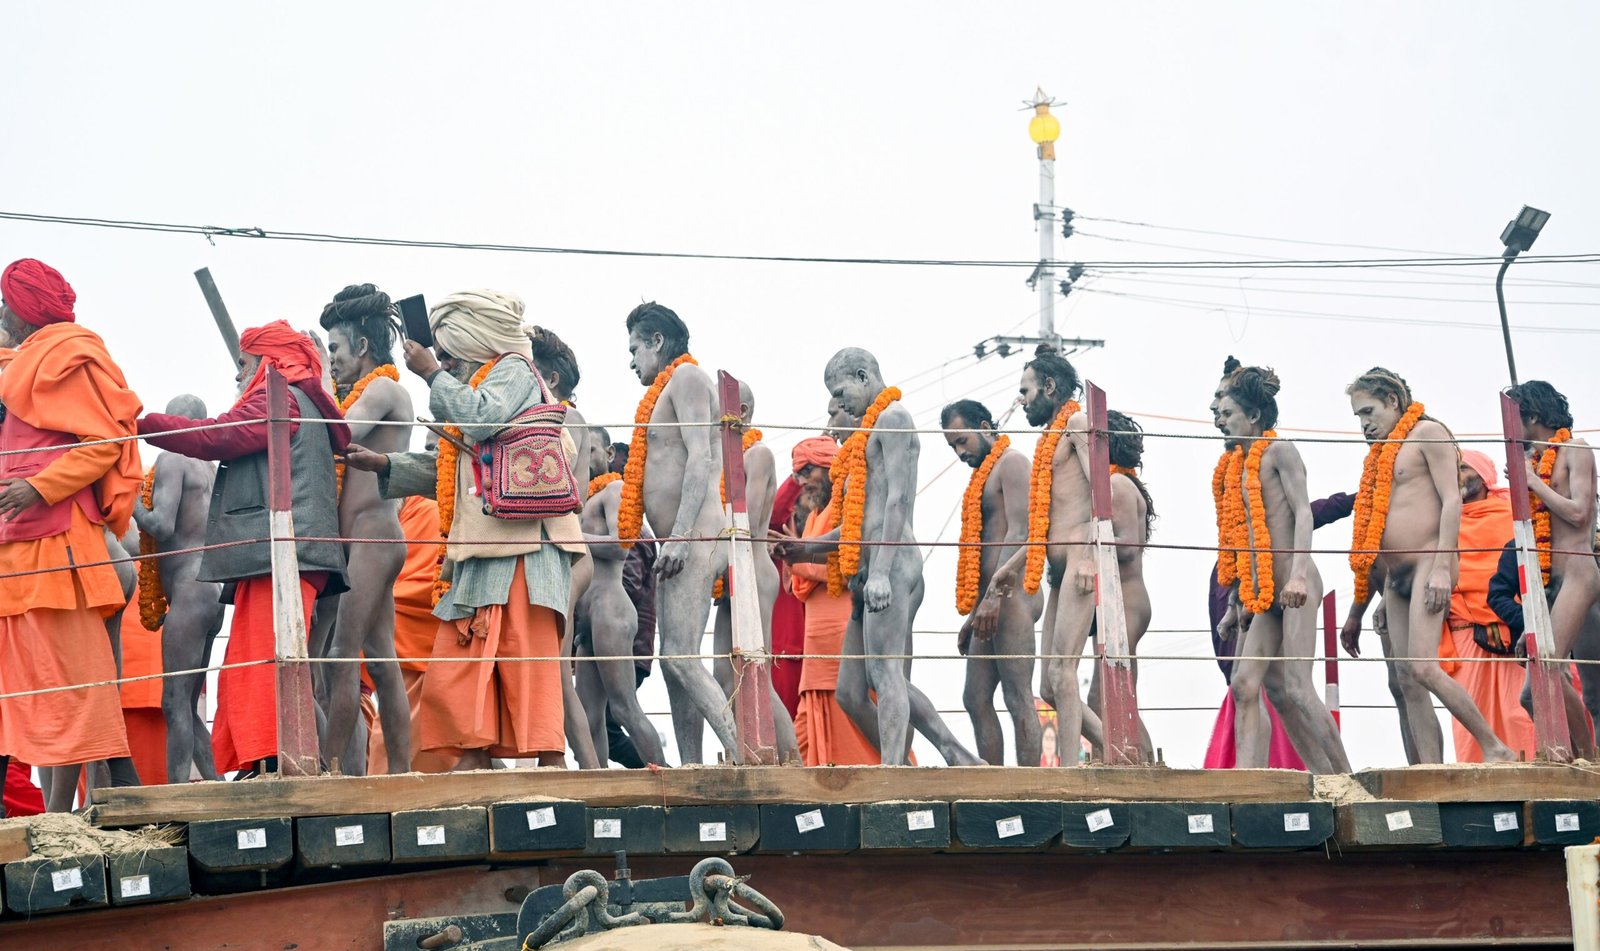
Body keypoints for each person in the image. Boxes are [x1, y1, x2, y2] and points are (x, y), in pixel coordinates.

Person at [345, 290, 584, 770]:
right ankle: (473, 764)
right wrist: (387, 464)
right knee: (468, 662)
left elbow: (480, 421)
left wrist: (431, 372)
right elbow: (460, 467)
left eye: (448, 345)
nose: (445, 355)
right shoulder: (480, 379)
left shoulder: (513, 369)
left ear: (473, 337)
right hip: (482, 547)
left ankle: (551, 767)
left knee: (525, 659)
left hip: (525, 552)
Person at [140, 320, 350, 777]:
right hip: (282, 554)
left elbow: (216, 436)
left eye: (243, 364)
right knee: (260, 660)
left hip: (282, 553)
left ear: (268, 361)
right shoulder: (302, 398)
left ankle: (281, 763)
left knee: (264, 661)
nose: (238, 375)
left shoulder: (280, 397)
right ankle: (275, 761)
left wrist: (138, 426)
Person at [779, 348, 979, 765]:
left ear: (862, 375)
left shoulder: (894, 419)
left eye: (840, 392)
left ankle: (894, 772)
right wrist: (804, 547)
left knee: (887, 674)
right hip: (865, 571)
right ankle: (957, 754)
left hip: (893, 566)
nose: (838, 404)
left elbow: (898, 502)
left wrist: (883, 573)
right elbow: (857, 527)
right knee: (851, 691)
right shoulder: (864, 437)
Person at [0, 258, 144, 812]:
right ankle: (62, 814)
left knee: (74, 691)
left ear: (22, 308)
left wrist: (38, 487)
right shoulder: (21, 363)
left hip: (63, 546)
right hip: (19, 552)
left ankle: (63, 817)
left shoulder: (67, 355)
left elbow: (105, 442)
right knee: (36, 691)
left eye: (5, 302)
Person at [1339, 367, 1515, 763]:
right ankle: (1431, 769)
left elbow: (1452, 501)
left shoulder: (1428, 433)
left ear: (1392, 401)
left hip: (1428, 565)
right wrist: (1381, 597)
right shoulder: (1382, 454)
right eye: (1358, 418)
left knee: (1423, 667)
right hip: (1396, 578)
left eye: (1368, 412)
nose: (1364, 424)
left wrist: (1440, 567)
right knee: (1406, 678)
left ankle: (1495, 747)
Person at [618, 302, 737, 763]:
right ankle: (691, 764)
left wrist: (682, 535)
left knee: (680, 657)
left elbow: (701, 459)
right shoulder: (666, 387)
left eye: (634, 349)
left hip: (696, 535)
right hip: (676, 543)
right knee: (675, 663)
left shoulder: (687, 379)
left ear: (657, 343)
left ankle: (743, 753)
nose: (631, 361)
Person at [1213, 367, 1348, 772]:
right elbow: (1242, 538)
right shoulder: (1234, 467)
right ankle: (1252, 783)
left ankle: (1347, 779)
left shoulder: (1281, 451)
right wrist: (1235, 602)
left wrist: (1299, 575)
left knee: (1297, 686)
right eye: (1217, 413)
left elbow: (1303, 514)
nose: (1219, 420)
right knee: (1246, 684)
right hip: (1260, 590)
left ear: (1254, 417)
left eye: (1228, 413)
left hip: (1295, 584)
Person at [974, 345, 1096, 766]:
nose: (1021, 400)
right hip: (1057, 572)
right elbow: (1044, 523)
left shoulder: (1078, 422)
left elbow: (1102, 493)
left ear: (1049, 386)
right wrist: (1007, 569)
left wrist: (1087, 558)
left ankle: (1067, 779)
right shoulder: (1048, 438)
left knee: (1063, 674)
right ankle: (1120, 746)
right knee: (1048, 687)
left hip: (1080, 562)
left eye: (1025, 390)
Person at [316, 284, 414, 773]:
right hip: (361, 543)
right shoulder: (358, 389)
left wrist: (305, 386)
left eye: (333, 348)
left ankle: (330, 775)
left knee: (339, 657)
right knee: (379, 661)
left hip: (375, 539)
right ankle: (399, 775)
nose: (329, 359)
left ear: (361, 347)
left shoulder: (383, 389)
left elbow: (340, 432)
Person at [942, 398, 1042, 766]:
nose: (959, 451)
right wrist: (974, 613)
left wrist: (995, 597)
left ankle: (1030, 792)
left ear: (985, 427)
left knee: (1018, 696)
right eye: (952, 445)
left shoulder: (1011, 462)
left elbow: (1022, 530)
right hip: (989, 600)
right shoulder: (983, 474)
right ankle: (994, 785)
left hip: (1011, 596)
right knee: (975, 697)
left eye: (962, 440)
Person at [132, 396, 224, 783]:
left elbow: (162, 526)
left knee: (174, 702)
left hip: (188, 589)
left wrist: (128, 501)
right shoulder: (211, 466)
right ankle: (218, 789)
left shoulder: (174, 456)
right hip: (212, 592)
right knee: (186, 702)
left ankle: (177, 799)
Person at [708, 380, 799, 759]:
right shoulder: (720, 463)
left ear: (740, 413)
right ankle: (742, 754)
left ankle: (792, 760)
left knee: (754, 674)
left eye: (716, 409)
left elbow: (743, 518)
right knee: (722, 675)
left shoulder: (758, 454)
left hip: (755, 569)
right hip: (730, 573)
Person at [1508, 380, 1598, 757]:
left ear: (1531, 415)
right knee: (1530, 694)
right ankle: (1573, 757)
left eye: (1513, 418)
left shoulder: (1575, 449)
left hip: (1579, 571)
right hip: (1550, 582)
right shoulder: (1532, 461)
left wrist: (1532, 483)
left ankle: (1589, 760)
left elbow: (1580, 514)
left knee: (1550, 665)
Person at [528, 325, 601, 770]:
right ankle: (552, 762)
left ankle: (587, 769)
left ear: (550, 379)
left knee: (555, 666)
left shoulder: (566, 419)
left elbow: (569, 494)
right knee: (548, 665)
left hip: (565, 551)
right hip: (558, 550)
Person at [786, 436, 881, 766]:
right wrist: (795, 556)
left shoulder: (847, 503)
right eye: (797, 473)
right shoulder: (814, 516)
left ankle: (893, 778)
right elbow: (802, 580)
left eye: (806, 470)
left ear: (828, 468)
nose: (800, 480)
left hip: (843, 632)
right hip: (816, 645)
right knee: (806, 734)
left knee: (852, 720)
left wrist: (795, 559)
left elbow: (850, 564)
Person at [575, 430, 665, 766]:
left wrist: (569, 536)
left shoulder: (616, 489)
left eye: (591, 448)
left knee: (624, 708)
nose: (585, 456)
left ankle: (667, 789)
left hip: (610, 607)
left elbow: (619, 545)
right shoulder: (578, 498)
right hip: (586, 615)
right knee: (586, 717)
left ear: (609, 452)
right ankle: (598, 795)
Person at [1437, 450, 1533, 761]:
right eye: (1453, 468)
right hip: (1465, 630)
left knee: (1519, 712)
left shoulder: (1511, 513)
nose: (1458, 475)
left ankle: (1532, 775)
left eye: (1464, 468)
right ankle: (1478, 792)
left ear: (1483, 475)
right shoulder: (1442, 520)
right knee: (1470, 717)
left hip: (1513, 627)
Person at [1085, 409, 1159, 759]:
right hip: (1122, 600)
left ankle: (1146, 768)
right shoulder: (1120, 483)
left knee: (1111, 697)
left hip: (1127, 600)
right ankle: (1127, 764)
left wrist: (1088, 542)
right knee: (1113, 695)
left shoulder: (1117, 484)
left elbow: (1128, 546)